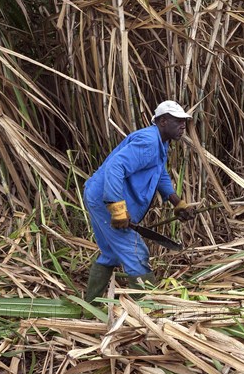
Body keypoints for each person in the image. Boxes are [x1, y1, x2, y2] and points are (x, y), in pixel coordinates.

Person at [83, 100, 195, 302]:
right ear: (162, 121)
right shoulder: (149, 142)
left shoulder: (161, 143)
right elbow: (115, 168)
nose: (182, 126)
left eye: (184, 122)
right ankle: (149, 311)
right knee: (136, 253)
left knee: (111, 254)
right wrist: (116, 208)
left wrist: (177, 202)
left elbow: (159, 173)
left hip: (97, 196)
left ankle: (90, 306)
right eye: (177, 121)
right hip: (103, 200)